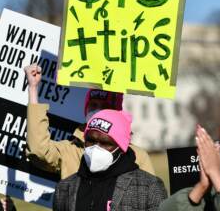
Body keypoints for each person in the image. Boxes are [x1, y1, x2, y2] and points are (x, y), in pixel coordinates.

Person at [24, 64, 155, 179]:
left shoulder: (137, 156)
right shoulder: (71, 151)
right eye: (93, 105)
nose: (97, 111)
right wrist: (33, 88)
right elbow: (38, 151)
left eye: (104, 107)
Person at [53, 109, 167, 210]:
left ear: (121, 147)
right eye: (91, 140)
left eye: (105, 143)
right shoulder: (64, 187)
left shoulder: (149, 186)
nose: (96, 148)